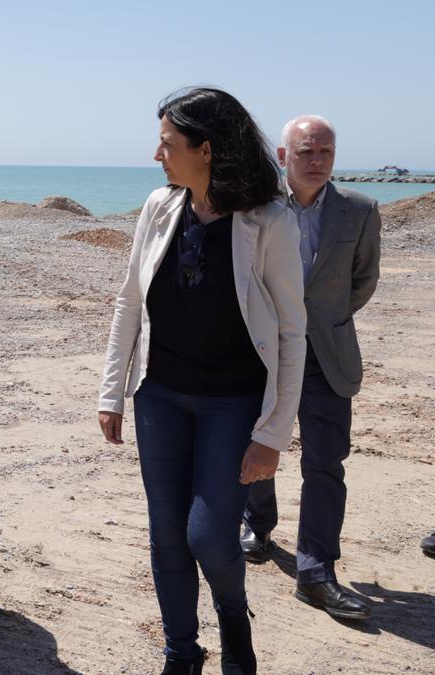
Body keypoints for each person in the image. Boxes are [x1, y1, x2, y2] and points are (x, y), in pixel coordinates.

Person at [97, 88, 305, 674]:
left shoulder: (270, 222)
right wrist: (112, 392)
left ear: (206, 149)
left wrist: (272, 433)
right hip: (159, 396)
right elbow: (129, 303)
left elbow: (292, 335)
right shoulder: (159, 206)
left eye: (167, 143)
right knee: (166, 537)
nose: (157, 154)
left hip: (233, 404)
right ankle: (181, 654)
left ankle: (235, 624)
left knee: (210, 536)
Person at [241, 116, 381, 621]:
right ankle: (257, 524)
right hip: (263, 353)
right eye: (306, 152)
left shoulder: (360, 211)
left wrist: (323, 321)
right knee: (257, 444)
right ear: (283, 156)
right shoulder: (256, 206)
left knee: (325, 463)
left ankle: (316, 571)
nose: (317, 161)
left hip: (327, 355)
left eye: (326, 152)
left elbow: (362, 280)